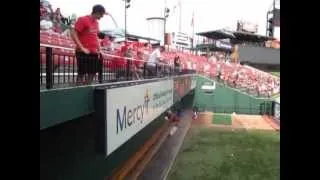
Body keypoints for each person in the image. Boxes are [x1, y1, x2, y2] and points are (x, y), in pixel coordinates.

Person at [71, 5, 107, 85]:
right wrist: (82, 47)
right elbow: (73, 33)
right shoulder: (83, 19)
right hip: (83, 52)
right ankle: (79, 90)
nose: (102, 17)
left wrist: (100, 49)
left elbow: (95, 37)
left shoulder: (96, 23)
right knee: (82, 73)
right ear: (97, 12)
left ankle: (86, 88)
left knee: (93, 72)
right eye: (101, 15)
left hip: (94, 52)